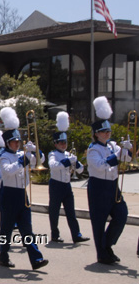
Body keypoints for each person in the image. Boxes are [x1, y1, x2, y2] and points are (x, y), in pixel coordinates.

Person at [0, 107, 48, 270]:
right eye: (14, 142)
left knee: (27, 229)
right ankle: (3, 257)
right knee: (6, 229)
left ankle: (36, 259)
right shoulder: (3, 155)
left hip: (22, 194)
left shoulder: (21, 153)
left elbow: (39, 160)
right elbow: (8, 171)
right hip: (9, 194)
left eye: (18, 142)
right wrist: (22, 161)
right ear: (7, 142)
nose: (17, 144)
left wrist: (35, 150)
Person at [87, 97, 131, 264]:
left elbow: (126, 158)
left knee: (121, 214)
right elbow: (100, 166)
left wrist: (128, 148)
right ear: (97, 134)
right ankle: (103, 253)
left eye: (108, 131)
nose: (107, 134)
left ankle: (107, 244)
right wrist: (117, 156)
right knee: (98, 221)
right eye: (104, 132)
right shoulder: (93, 150)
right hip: (99, 187)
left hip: (112, 186)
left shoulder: (113, 145)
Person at [48, 112, 90, 244]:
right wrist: (67, 161)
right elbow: (53, 166)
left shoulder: (68, 154)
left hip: (66, 185)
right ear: (55, 144)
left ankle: (76, 235)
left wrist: (76, 163)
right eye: (60, 142)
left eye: (64, 142)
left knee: (71, 211)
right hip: (56, 184)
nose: (63, 144)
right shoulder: (53, 154)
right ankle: (55, 234)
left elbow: (81, 169)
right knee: (54, 211)